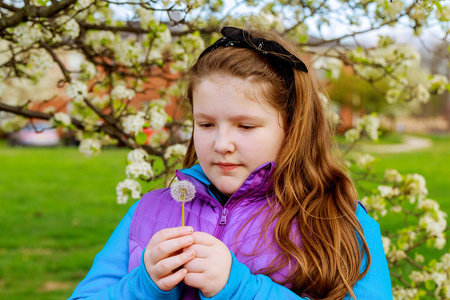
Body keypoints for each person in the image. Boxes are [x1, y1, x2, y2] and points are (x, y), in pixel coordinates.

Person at [69, 27, 392, 300]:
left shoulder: (336, 219)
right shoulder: (149, 211)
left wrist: (242, 288)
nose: (221, 144)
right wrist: (143, 285)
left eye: (246, 126)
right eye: (206, 125)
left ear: (292, 126)